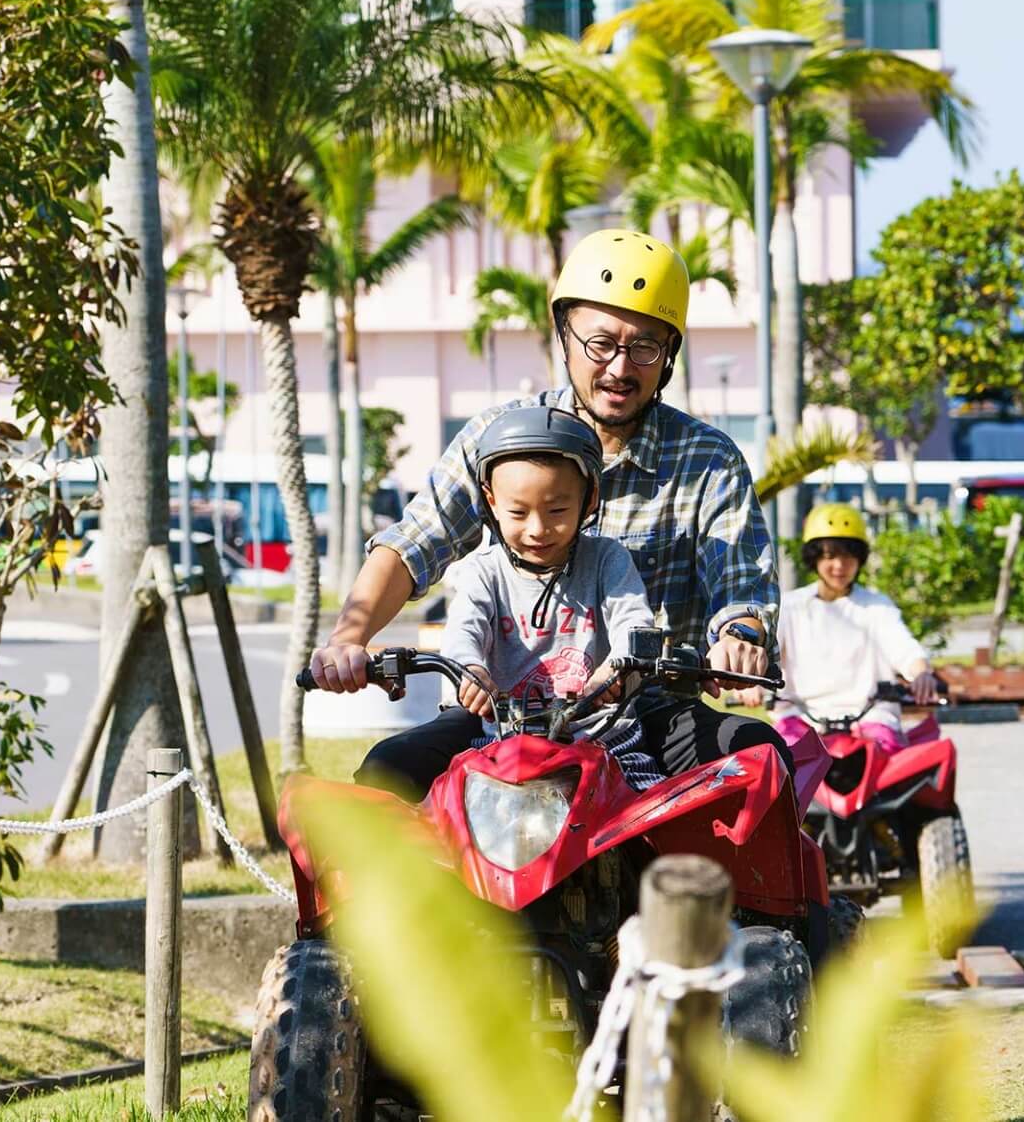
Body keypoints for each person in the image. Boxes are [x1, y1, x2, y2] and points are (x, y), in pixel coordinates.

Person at [306, 227, 790, 802]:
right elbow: (416, 544)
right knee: (388, 773)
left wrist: (739, 634)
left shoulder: (708, 458)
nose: (619, 367)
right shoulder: (498, 438)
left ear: (669, 356)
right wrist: (349, 639)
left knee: (756, 757)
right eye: (600, 343)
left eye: (645, 348)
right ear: (565, 336)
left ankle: (757, 897)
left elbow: (741, 582)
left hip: (644, 713)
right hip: (498, 710)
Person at [440, 404, 655, 715]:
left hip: (601, 731)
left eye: (556, 511)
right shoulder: (483, 571)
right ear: (492, 502)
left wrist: (614, 670)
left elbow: (634, 623)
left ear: (589, 499)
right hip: (501, 735)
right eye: (518, 512)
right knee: (400, 757)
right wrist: (471, 670)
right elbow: (463, 631)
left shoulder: (608, 560)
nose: (537, 530)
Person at [775, 503, 940, 754]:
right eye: (830, 556)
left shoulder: (876, 606)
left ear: (859, 558)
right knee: (781, 767)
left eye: (848, 556)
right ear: (814, 557)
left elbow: (905, 649)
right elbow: (766, 656)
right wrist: (754, 685)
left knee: (886, 759)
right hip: (801, 716)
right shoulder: (790, 607)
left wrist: (921, 674)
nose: (839, 566)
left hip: (871, 716)